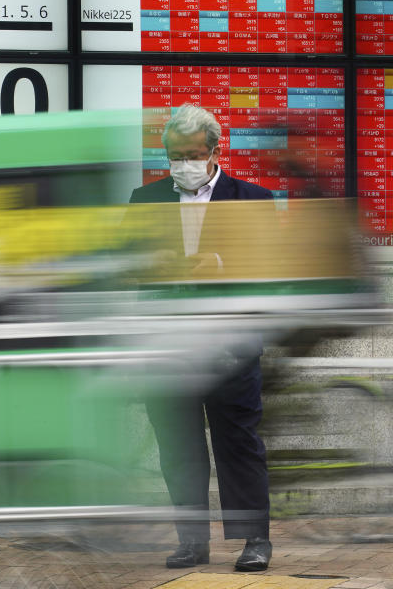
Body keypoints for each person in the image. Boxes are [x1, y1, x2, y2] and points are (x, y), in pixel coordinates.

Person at [129, 103, 274, 572]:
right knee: (178, 446)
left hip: (229, 346)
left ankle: (255, 539)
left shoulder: (252, 198)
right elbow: (127, 265)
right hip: (167, 346)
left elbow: (272, 269)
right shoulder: (144, 199)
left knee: (238, 443)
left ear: (215, 149)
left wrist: (220, 266)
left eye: (192, 153)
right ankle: (192, 540)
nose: (183, 164)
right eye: (175, 154)